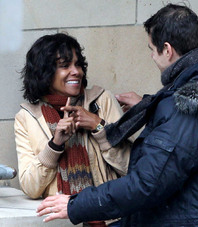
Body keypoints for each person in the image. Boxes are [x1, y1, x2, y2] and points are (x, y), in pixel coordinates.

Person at [37, 4, 198, 226]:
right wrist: (155, 106)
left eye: (152, 50)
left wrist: (75, 205)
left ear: (167, 49)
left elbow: (144, 185)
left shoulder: (185, 107)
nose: (152, 58)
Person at [14, 33, 131, 227]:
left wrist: (99, 127)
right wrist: (55, 145)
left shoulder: (102, 101)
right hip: (61, 223)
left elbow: (131, 168)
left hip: (112, 221)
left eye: (78, 64)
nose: (76, 71)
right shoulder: (27, 117)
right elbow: (30, 187)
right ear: (45, 71)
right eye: (65, 65)